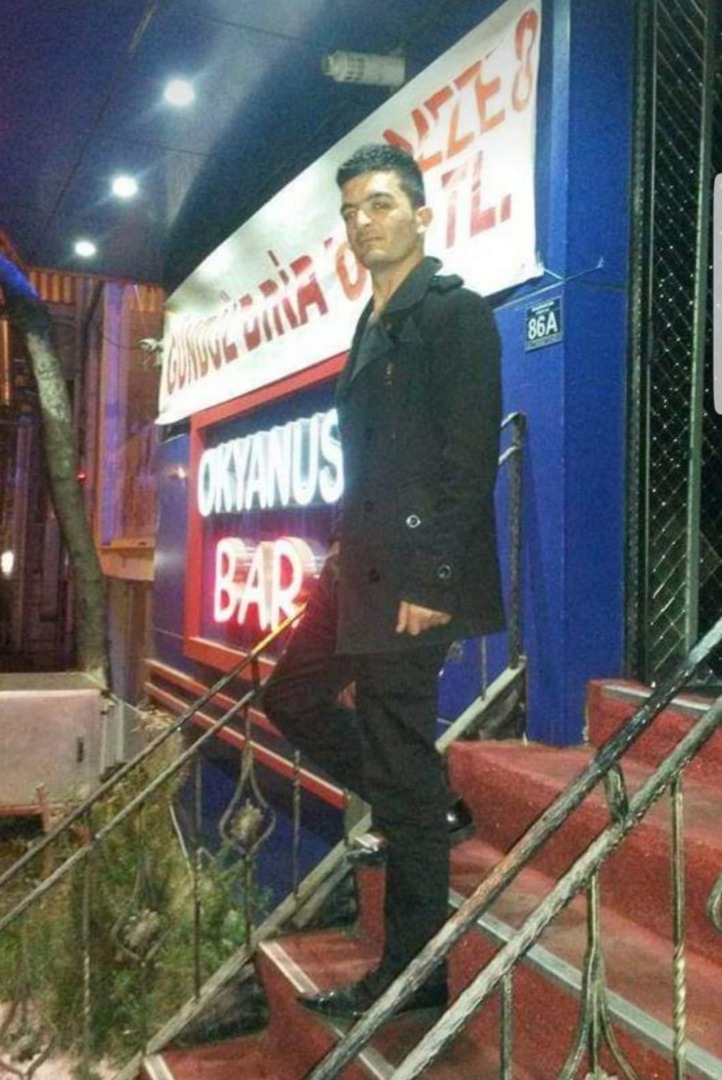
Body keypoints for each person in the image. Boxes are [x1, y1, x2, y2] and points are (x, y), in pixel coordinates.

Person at [262, 143, 504, 1021]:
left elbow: (466, 461)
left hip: (410, 579)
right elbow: (372, 462)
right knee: (289, 695)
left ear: (421, 215)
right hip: (356, 569)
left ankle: (414, 972)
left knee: (399, 754)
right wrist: (337, 545)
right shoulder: (372, 321)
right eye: (353, 211)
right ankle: (425, 803)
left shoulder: (455, 314)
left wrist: (432, 579)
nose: (364, 222)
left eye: (382, 205)